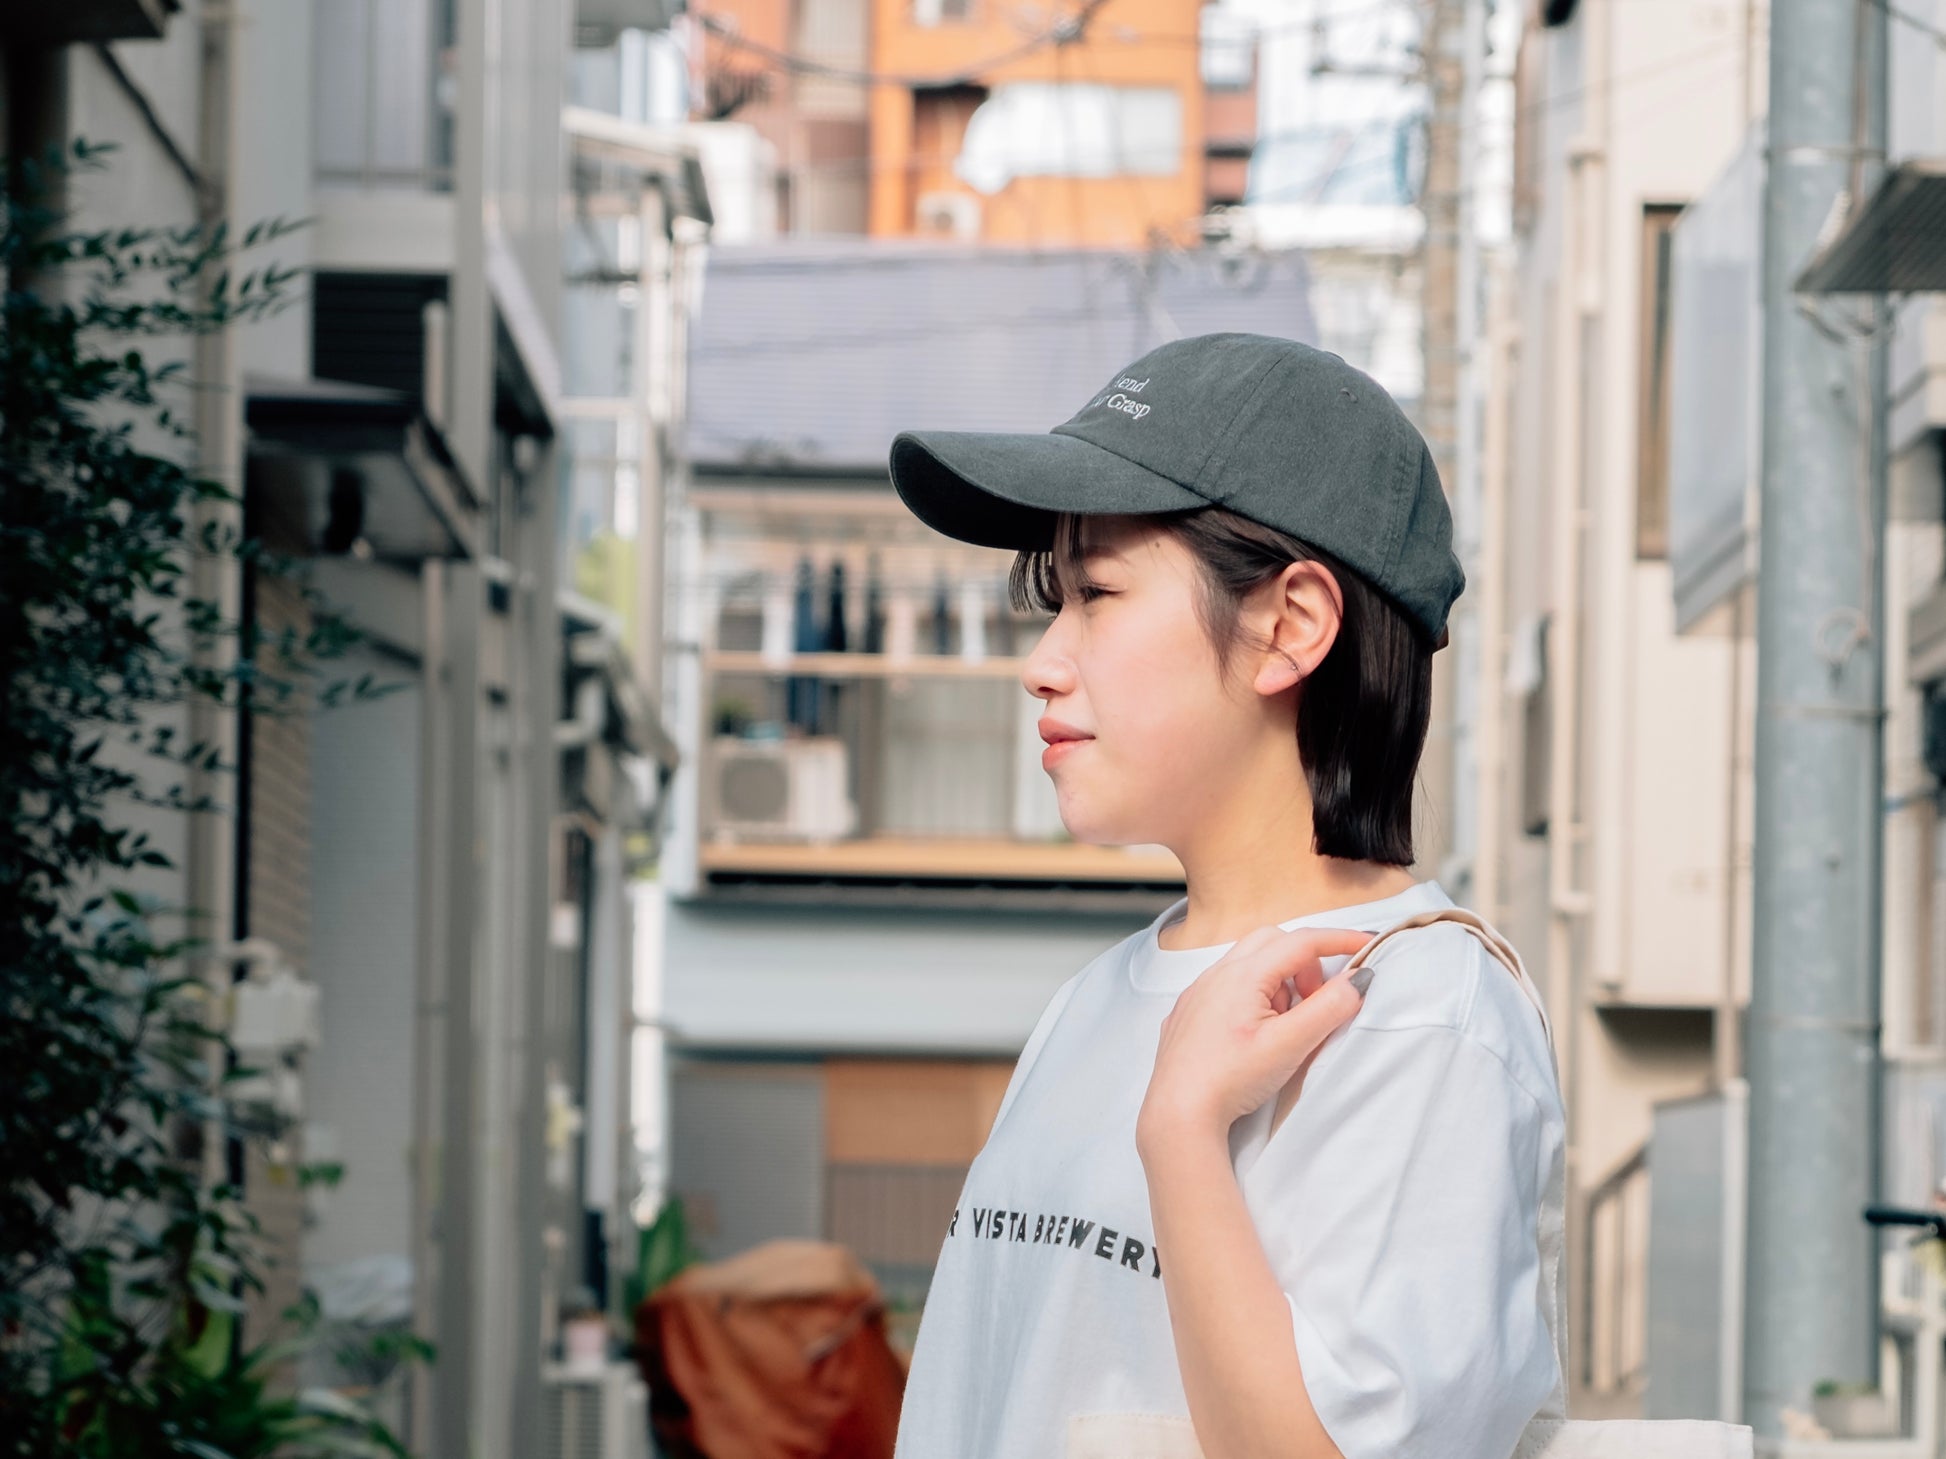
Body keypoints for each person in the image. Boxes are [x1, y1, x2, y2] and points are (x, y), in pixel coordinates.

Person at [883, 334, 1565, 1459]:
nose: (1042, 660)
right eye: (1056, 600)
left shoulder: (1422, 1017)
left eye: (1097, 593)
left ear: (1289, 626)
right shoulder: (1094, 998)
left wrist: (1183, 1132)